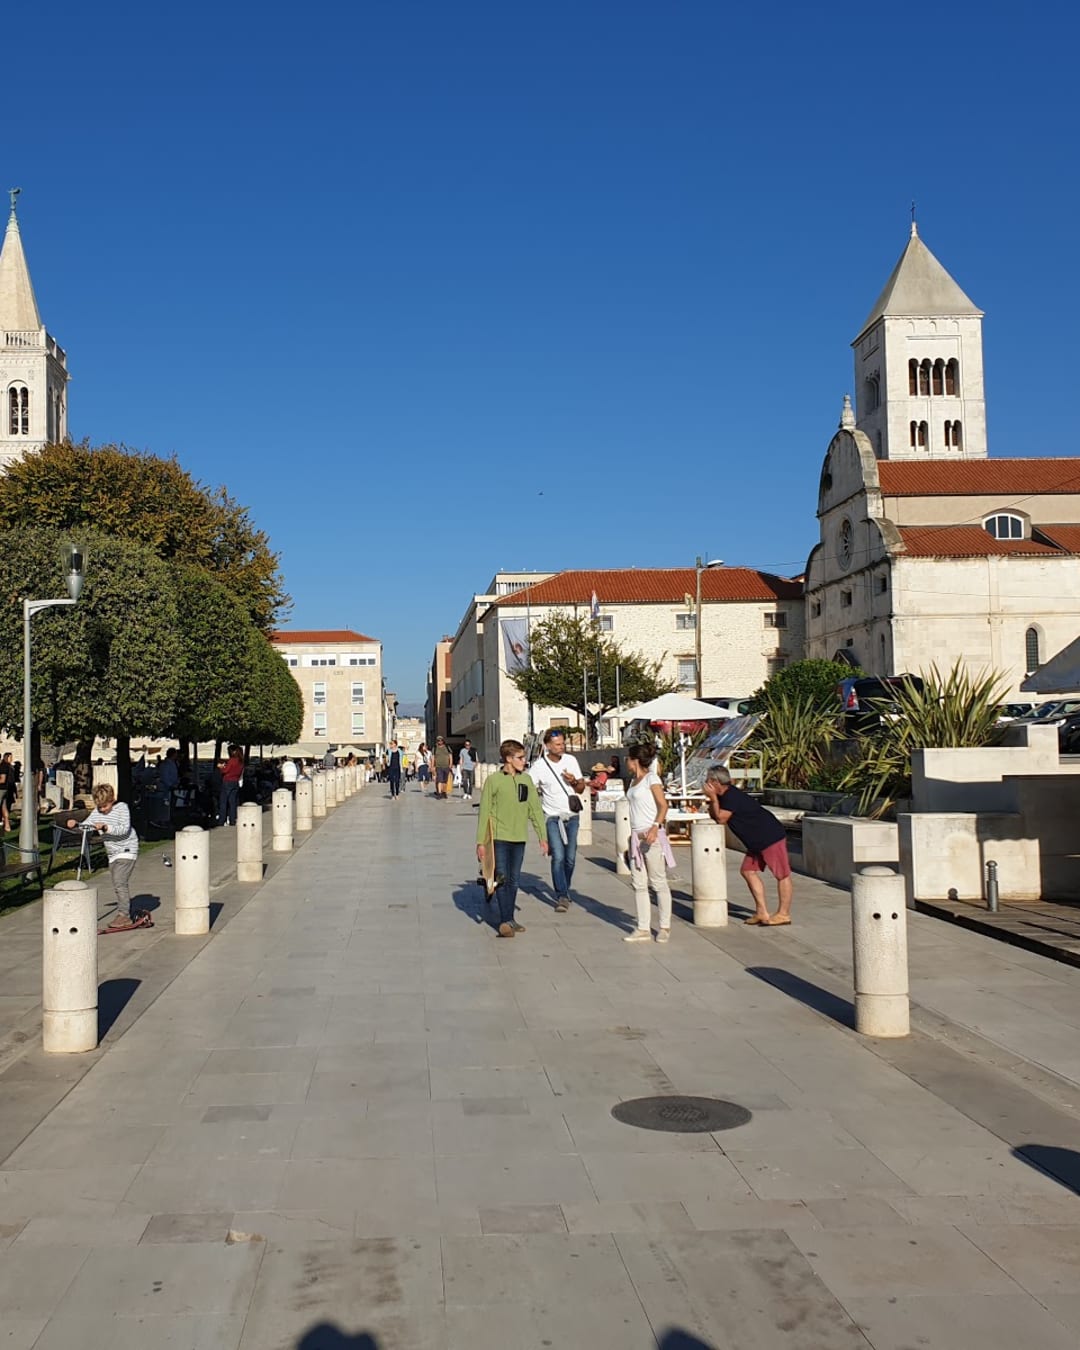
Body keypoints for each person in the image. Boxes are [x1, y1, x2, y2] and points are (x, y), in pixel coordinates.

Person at [475, 739, 549, 938]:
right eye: (520, 758)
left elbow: (534, 810)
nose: (524, 761)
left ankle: (509, 919)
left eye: (524, 757)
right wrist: (480, 842)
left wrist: (542, 837)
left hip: (519, 838)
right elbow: (484, 812)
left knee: (514, 880)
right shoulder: (494, 781)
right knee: (502, 877)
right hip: (499, 837)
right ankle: (505, 921)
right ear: (508, 759)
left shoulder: (526, 781)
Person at [703, 764, 792, 925]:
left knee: (782, 874)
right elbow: (716, 816)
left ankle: (784, 913)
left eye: (708, 780)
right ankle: (761, 912)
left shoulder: (731, 796)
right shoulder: (723, 797)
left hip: (769, 836)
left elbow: (722, 819)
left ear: (716, 782)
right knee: (748, 871)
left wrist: (713, 799)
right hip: (755, 841)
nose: (706, 783)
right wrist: (712, 799)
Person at [67, 784, 146, 931]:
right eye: (100, 807)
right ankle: (124, 909)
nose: (103, 810)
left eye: (105, 806)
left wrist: (105, 827)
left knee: (119, 882)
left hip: (127, 849)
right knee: (117, 883)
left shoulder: (121, 808)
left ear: (112, 800)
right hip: (112, 853)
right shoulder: (97, 812)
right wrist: (76, 824)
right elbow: (88, 826)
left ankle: (124, 915)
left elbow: (123, 829)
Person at [528, 729, 587, 913]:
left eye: (563, 743)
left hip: (572, 815)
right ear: (547, 746)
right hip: (551, 817)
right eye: (558, 744)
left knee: (570, 858)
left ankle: (565, 888)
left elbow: (581, 788)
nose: (562, 747)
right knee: (559, 856)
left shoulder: (571, 761)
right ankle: (561, 895)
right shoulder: (539, 766)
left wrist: (573, 781)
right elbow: (530, 789)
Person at [623, 742, 674, 943]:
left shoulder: (651, 779)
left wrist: (655, 826)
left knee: (658, 881)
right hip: (636, 835)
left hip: (650, 835)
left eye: (628, 758)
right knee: (639, 883)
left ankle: (664, 926)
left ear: (634, 760)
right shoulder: (633, 781)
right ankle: (643, 927)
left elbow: (663, 805)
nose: (626, 761)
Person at [218, 744, 245, 826]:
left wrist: (221, 767)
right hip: (235, 781)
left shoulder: (232, 760)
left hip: (227, 781)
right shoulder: (241, 762)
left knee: (223, 802)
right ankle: (232, 820)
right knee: (233, 802)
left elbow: (225, 771)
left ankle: (221, 820)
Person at [0, 752, 13, 832]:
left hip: (1, 789)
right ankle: (7, 826)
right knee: (4, 808)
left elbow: (2, 779)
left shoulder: (3, 767)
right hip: (5, 789)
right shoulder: (6, 766)